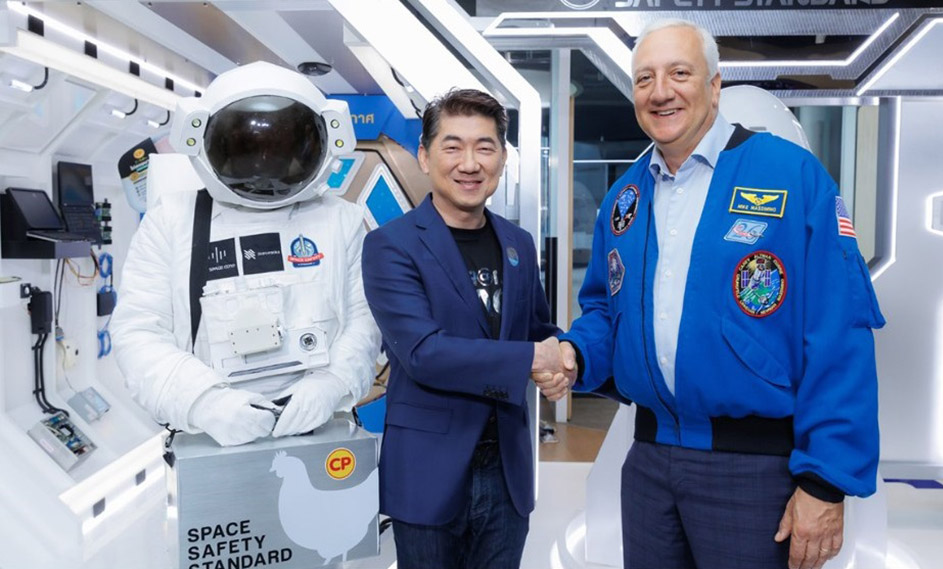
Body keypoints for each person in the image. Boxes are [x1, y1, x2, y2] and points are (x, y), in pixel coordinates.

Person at [554, 19, 886, 569]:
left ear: (714, 86)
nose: (660, 92)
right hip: (649, 465)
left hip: (755, 470)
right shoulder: (625, 197)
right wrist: (575, 352)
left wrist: (825, 483)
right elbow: (605, 314)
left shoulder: (791, 176)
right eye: (644, 79)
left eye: (679, 73)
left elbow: (840, 331)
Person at [112, 61, 380, 447]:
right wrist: (204, 402)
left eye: (281, 146)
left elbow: (364, 321)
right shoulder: (171, 221)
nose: (263, 165)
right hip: (212, 434)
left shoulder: (343, 220)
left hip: (322, 425)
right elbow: (138, 331)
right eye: (247, 147)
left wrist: (332, 383)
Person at [361, 88, 567, 569]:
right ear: (425, 156)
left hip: (508, 471)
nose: (470, 163)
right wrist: (533, 359)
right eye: (453, 147)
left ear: (503, 159)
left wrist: (564, 352)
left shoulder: (518, 243)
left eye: (485, 147)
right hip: (428, 470)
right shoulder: (391, 245)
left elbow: (536, 328)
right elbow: (424, 353)